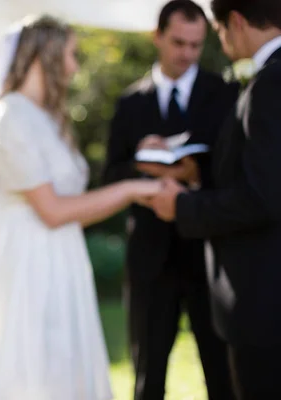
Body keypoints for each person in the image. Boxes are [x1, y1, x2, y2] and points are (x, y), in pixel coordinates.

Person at [0, 16, 161, 400]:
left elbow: (71, 207)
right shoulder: (10, 116)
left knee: (65, 367)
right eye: (71, 55)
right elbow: (54, 210)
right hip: (29, 261)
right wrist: (130, 189)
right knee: (34, 370)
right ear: (45, 55)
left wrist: (143, 164)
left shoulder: (46, 118)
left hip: (62, 254)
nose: (76, 66)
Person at [102, 1, 238, 399]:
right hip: (150, 259)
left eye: (196, 45)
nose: (187, 53)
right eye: (178, 42)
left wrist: (194, 174)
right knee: (148, 376)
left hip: (209, 257)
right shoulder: (131, 102)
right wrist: (144, 164)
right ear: (157, 36)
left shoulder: (225, 93)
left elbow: (236, 174)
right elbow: (110, 175)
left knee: (221, 374)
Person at [150, 0, 281, 397]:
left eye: (219, 30)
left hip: (264, 304)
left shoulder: (271, 84)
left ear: (236, 22)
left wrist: (183, 206)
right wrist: (199, 170)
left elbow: (263, 197)